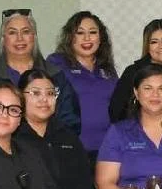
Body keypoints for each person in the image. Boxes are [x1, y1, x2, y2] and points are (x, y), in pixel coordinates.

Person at [0, 9, 79, 142]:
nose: (20, 38)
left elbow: (70, 122)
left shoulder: (55, 75)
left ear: (34, 37)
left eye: (26, 32)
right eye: (12, 32)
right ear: (3, 39)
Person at [47, 11, 117, 161]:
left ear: (100, 38)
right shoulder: (57, 64)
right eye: (80, 32)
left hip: (106, 150)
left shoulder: (107, 69)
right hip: (70, 149)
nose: (87, 38)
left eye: (92, 32)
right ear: (70, 37)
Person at [16, 70, 94, 189]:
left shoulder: (67, 136)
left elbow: (84, 183)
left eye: (50, 93)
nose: (44, 99)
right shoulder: (13, 137)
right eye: (35, 93)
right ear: (20, 97)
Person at [108, 19, 162, 123]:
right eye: (154, 42)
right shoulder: (133, 72)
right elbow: (116, 112)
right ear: (147, 46)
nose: (161, 46)